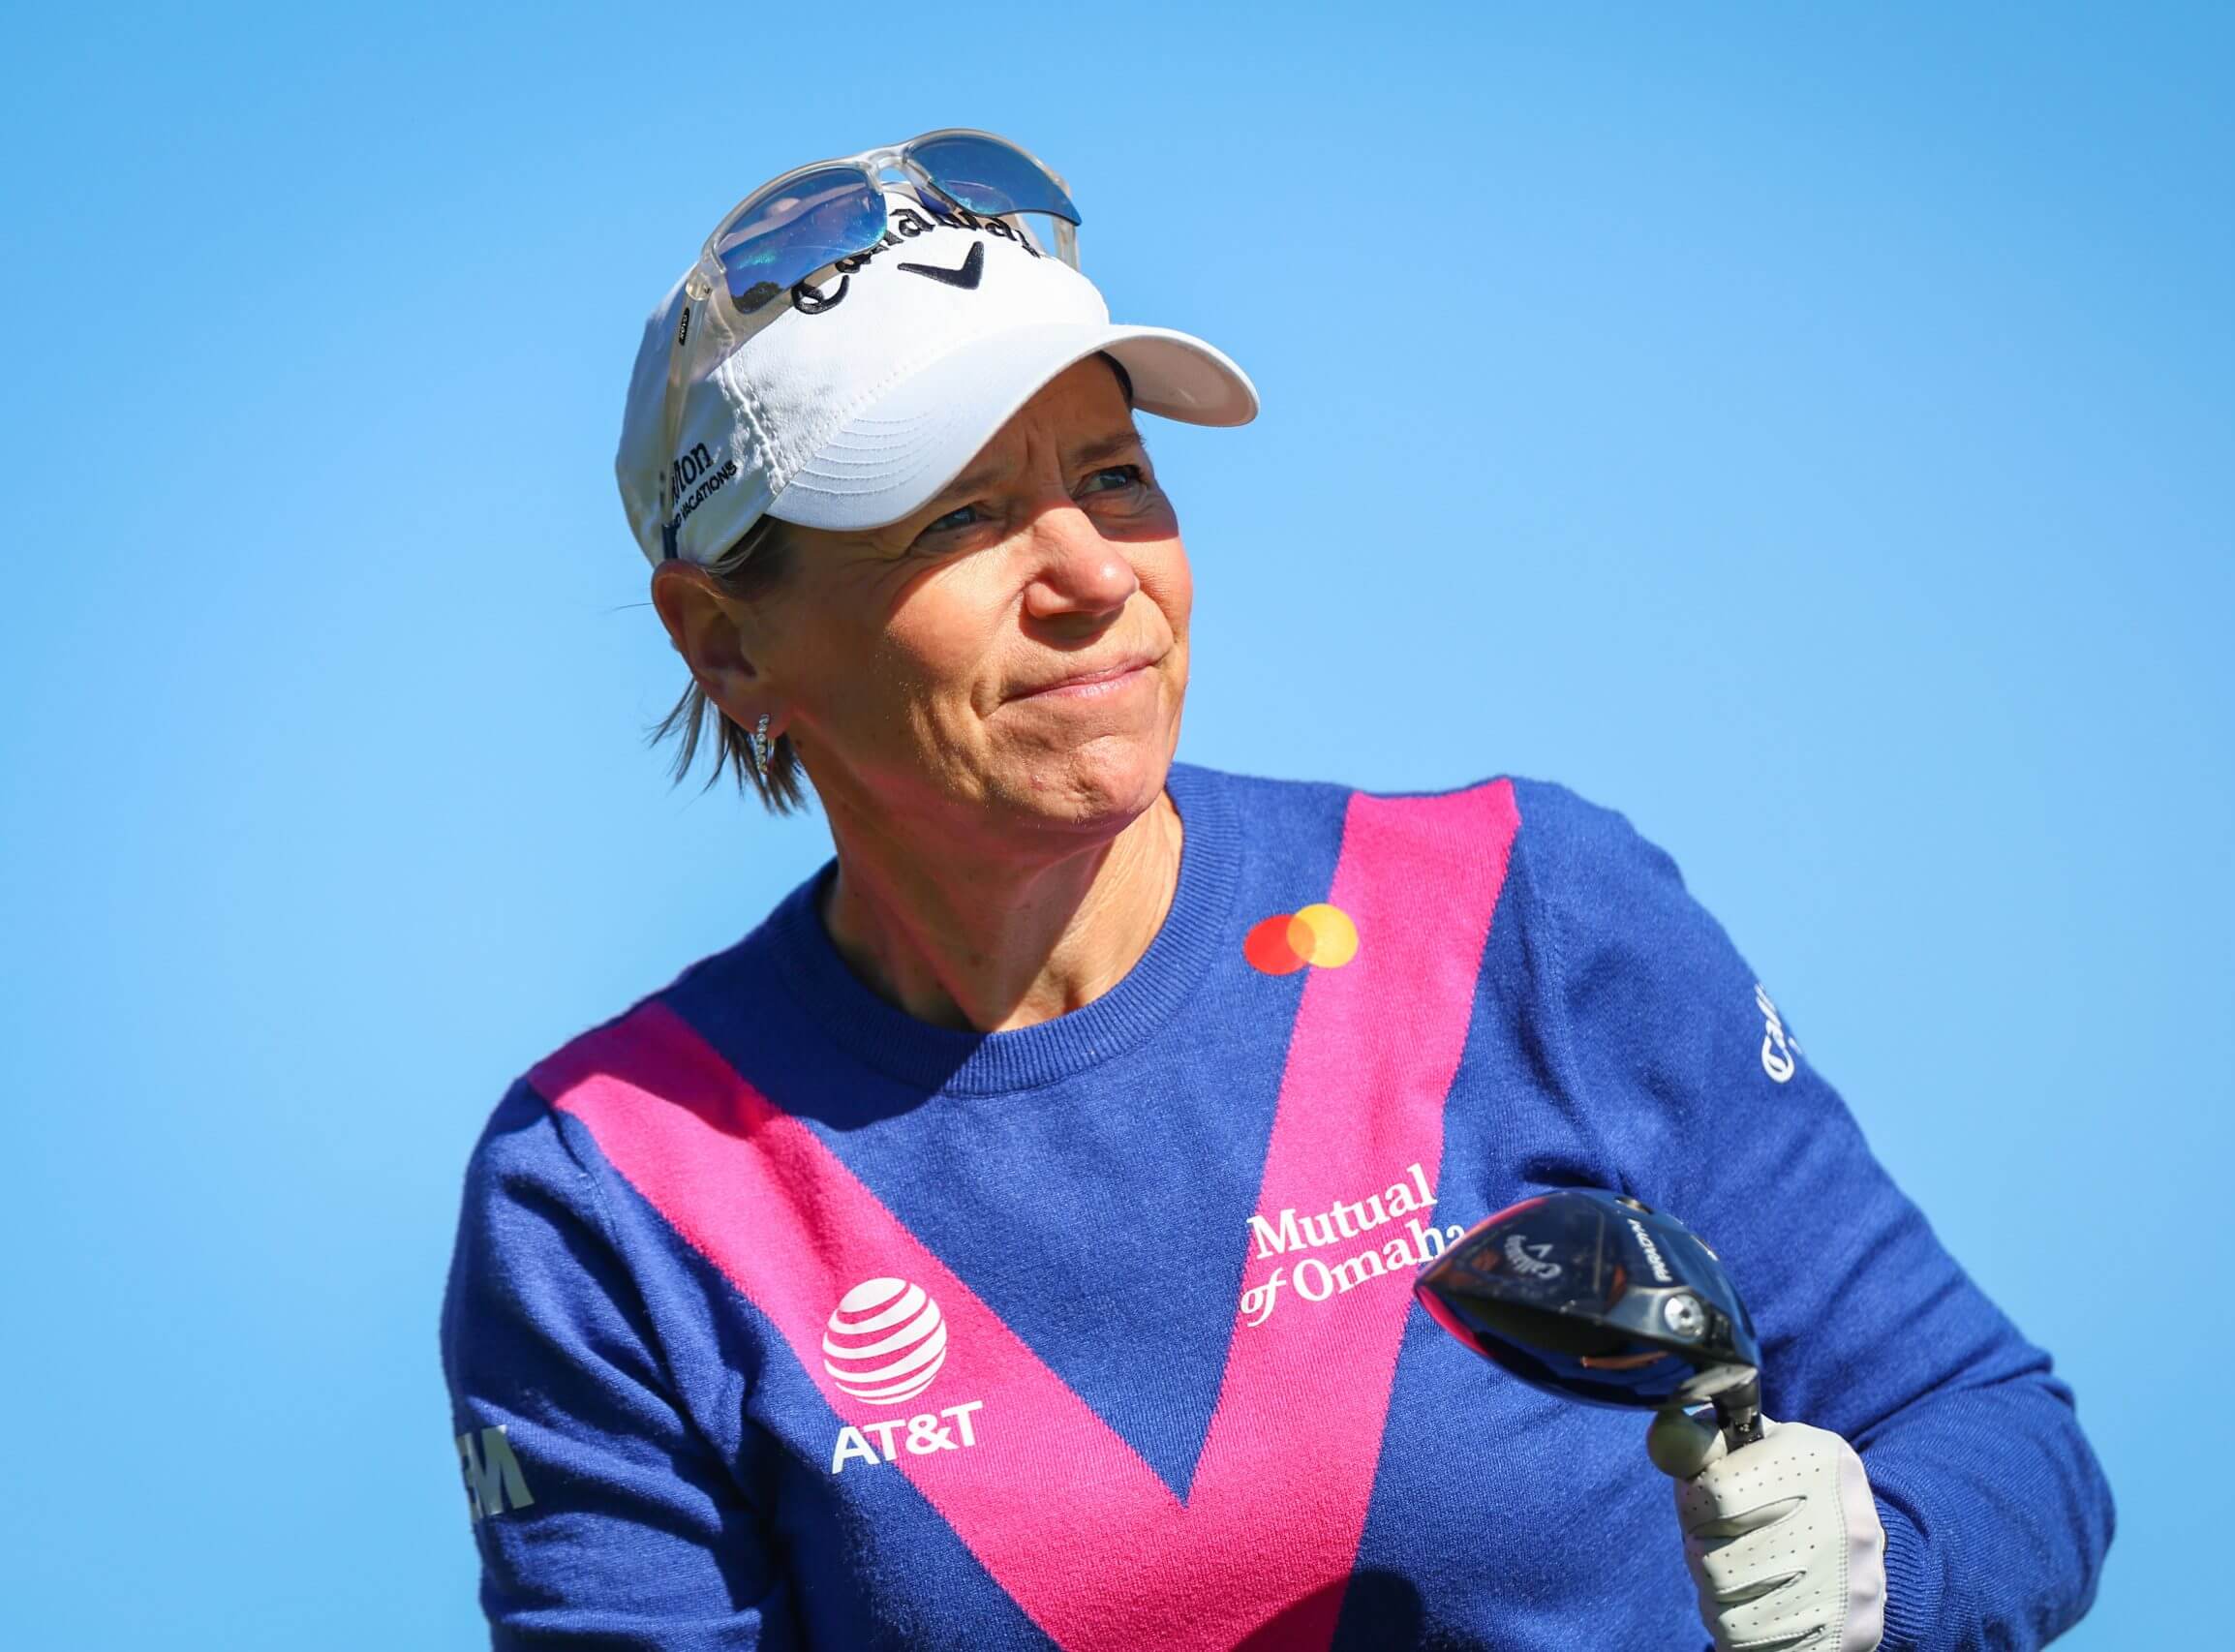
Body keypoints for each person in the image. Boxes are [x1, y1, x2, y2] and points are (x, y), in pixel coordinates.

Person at [440, 130, 2114, 1651]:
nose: (1093, 576)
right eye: (959, 516)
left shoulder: (1520, 908)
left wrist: (1882, 1576)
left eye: (1113, 475)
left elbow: (1990, 1428)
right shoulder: (611, 1186)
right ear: (726, 642)